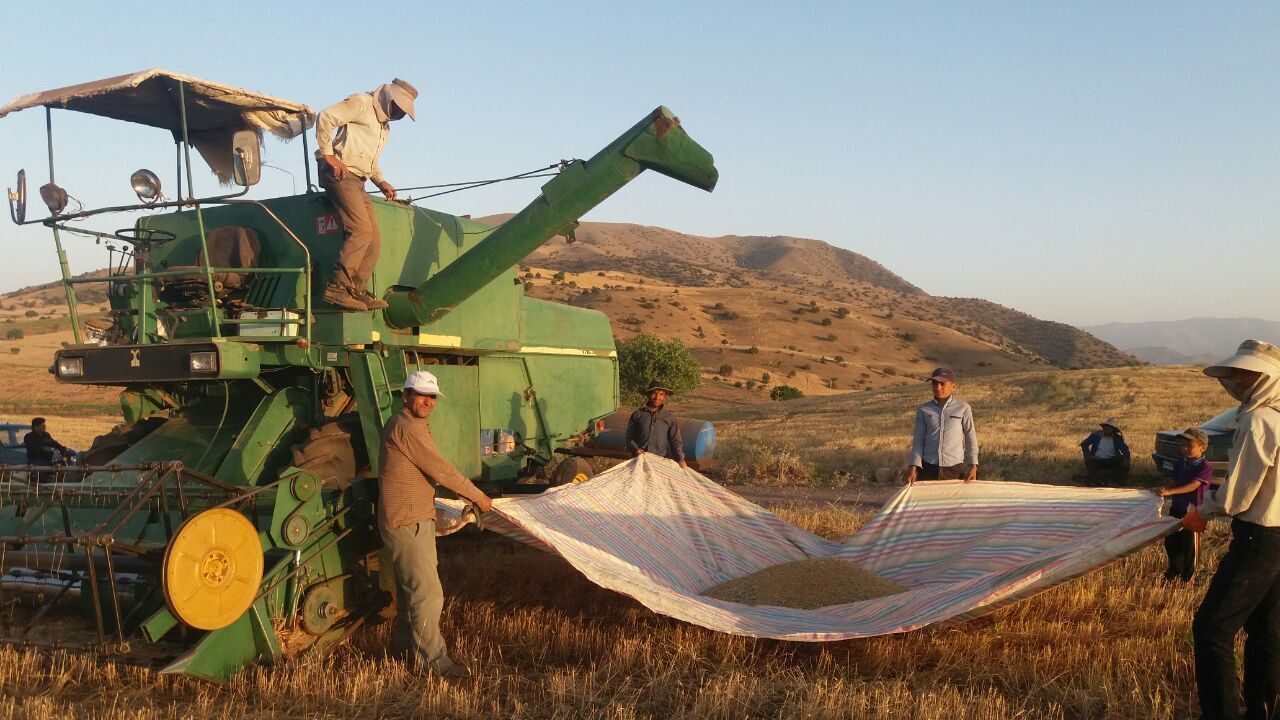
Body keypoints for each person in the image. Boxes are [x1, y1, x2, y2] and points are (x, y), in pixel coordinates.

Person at [1182, 340, 1280, 719]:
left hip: (1260, 539)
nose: (1239, 381)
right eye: (1237, 373)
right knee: (1268, 629)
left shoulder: (1259, 422)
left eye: (1249, 374)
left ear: (1265, 378)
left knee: (1212, 630)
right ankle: (1264, 709)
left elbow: (1236, 496)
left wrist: (1201, 512)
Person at [379, 370, 493, 678]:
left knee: (409, 592)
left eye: (432, 397)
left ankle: (406, 651)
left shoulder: (409, 424)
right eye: (421, 395)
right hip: (408, 520)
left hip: (409, 518)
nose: (428, 401)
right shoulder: (409, 428)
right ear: (406, 396)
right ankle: (435, 663)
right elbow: (441, 470)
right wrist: (478, 497)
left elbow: (427, 473)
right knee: (427, 594)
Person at [314, 78, 418, 312]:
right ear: (389, 98)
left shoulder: (384, 128)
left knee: (374, 240)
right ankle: (337, 286)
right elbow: (325, 117)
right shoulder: (361, 103)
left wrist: (380, 181)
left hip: (358, 180)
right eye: (399, 108)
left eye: (403, 112)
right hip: (339, 173)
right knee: (361, 230)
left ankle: (355, 289)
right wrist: (328, 154)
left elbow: (369, 160)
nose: (399, 114)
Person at [1155, 427, 1212, 584]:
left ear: (1202, 447)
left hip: (1194, 511)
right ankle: (1174, 571)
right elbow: (1174, 480)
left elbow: (1194, 485)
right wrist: (1164, 488)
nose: (1184, 448)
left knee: (1189, 546)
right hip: (1177, 508)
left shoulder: (1205, 467)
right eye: (1182, 445)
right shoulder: (1180, 463)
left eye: (1189, 445)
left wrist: (1170, 491)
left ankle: (1189, 577)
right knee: (1172, 542)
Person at [906, 366, 979, 484]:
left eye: (942, 384)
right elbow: (918, 440)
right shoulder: (924, 409)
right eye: (934, 384)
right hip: (928, 466)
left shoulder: (963, 408)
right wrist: (913, 467)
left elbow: (971, 437)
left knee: (952, 501)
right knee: (927, 500)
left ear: (953, 386)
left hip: (954, 467)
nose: (938, 387)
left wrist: (973, 465)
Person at [626, 380, 687, 467]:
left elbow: (675, 441)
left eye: (661, 394)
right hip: (639, 462)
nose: (657, 397)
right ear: (649, 394)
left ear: (664, 397)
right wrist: (636, 449)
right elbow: (629, 438)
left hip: (660, 464)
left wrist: (680, 459)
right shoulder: (637, 415)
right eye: (654, 393)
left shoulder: (669, 418)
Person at [1079, 418, 1132, 485]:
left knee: (1123, 461)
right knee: (1090, 462)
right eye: (1105, 428)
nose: (1107, 430)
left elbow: (1125, 449)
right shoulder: (1096, 435)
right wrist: (1088, 456)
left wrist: (1126, 458)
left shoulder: (1117, 438)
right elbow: (1084, 444)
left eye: (1109, 429)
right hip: (1097, 459)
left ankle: (1121, 481)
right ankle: (1095, 481)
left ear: (1113, 430)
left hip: (1112, 460)